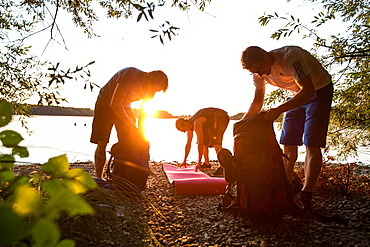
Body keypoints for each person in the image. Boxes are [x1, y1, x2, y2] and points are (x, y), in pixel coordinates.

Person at [240, 46, 333, 210]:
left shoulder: (291, 57)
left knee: (312, 143)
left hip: (318, 90)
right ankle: (284, 188)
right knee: (288, 142)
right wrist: (242, 123)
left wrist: (278, 110)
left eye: (261, 69)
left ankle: (306, 194)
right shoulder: (258, 73)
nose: (261, 75)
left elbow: (309, 90)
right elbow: (257, 103)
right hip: (296, 93)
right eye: (256, 72)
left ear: (265, 56)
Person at [90, 67, 168, 178]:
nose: (155, 92)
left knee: (130, 139)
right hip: (106, 102)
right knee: (102, 141)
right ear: (151, 82)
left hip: (124, 104)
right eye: (156, 89)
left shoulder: (149, 91)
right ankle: (98, 177)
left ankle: (125, 174)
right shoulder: (130, 75)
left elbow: (142, 113)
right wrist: (131, 125)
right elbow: (115, 103)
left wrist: (141, 133)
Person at [175, 107, 230, 174]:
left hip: (220, 116)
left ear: (185, 123)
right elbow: (188, 144)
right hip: (210, 121)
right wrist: (184, 160)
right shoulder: (190, 126)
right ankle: (207, 163)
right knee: (204, 141)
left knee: (215, 142)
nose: (185, 131)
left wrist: (198, 163)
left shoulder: (196, 123)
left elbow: (200, 144)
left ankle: (222, 167)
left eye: (183, 129)